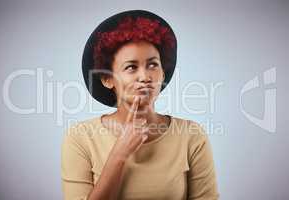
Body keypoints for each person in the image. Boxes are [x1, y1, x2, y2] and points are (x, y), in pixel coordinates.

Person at [61, 10, 220, 200]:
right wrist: (119, 153)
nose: (145, 77)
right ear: (107, 79)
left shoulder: (191, 136)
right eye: (131, 67)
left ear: (163, 73)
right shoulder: (81, 138)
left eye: (153, 65)